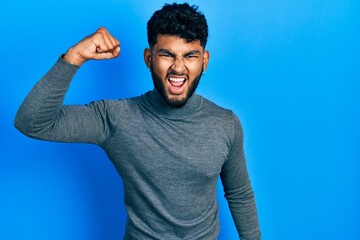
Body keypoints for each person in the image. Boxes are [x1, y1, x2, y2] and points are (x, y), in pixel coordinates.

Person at [15, 3, 261, 240]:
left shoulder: (225, 123)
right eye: (166, 54)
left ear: (204, 61)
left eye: (190, 56)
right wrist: (75, 56)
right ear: (148, 58)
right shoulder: (116, 118)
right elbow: (32, 122)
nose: (178, 67)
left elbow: (239, 194)